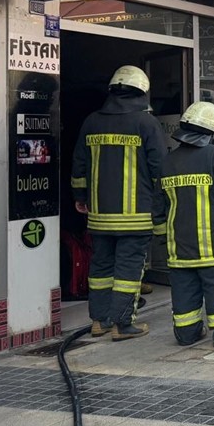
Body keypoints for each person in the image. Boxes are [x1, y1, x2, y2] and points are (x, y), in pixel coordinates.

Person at [70, 65, 166, 341]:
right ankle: (122, 325)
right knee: (128, 270)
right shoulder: (146, 124)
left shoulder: (92, 121)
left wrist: (80, 198)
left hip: (99, 215)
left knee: (100, 267)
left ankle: (99, 321)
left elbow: (79, 165)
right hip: (136, 216)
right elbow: (160, 169)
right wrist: (163, 205)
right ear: (142, 92)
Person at [153, 102, 214, 347]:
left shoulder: (168, 161)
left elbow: (159, 204)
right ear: (211, 130)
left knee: (184, 288)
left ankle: (187, 332)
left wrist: (164, 236)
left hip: (179, 246)